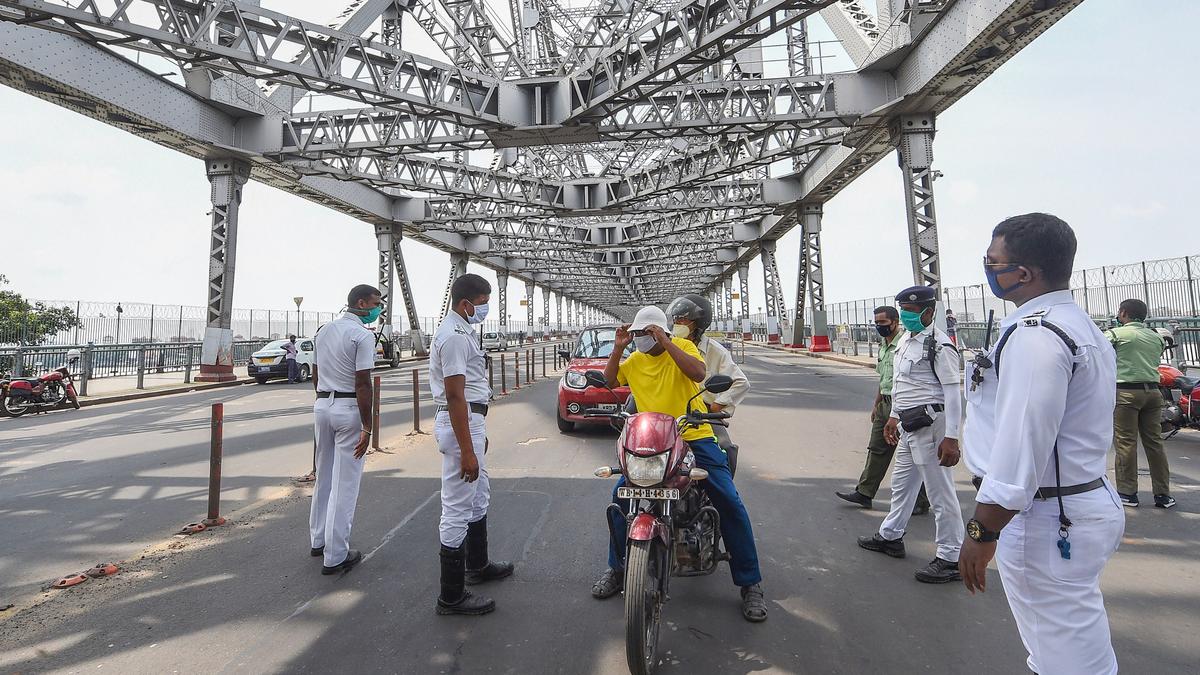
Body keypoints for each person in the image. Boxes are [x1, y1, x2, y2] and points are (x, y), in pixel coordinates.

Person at [960, 213, 1124, 675]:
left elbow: (1023, 439)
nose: (988, 269)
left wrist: (982, 530)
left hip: (1046, 516)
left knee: (1067, 661)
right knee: (1070, 646)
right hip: (1074, 501)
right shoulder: (1073, 323)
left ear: (1025, 273)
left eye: (993, 262)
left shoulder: (1036, 337)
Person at [591, 306, 767, 622]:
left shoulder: (682, 347)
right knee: (620, 497)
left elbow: (698, 373)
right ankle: (616, 569)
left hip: (694, 436)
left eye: (647, 332)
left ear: (662, 332)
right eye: (638, 333)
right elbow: (609, 379)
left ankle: (750, 582)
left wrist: (666, 341)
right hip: (653, 441)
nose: (641, 338)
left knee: (728, 499)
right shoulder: (635, 359)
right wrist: (618, 348)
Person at [857, 286, 964, 584]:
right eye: (903, 310)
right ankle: (890, 536)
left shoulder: (940, 346)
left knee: (940, 493)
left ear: (930, 312)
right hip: (907, 425)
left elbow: (952, 394)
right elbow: (901, 384)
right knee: (902, 485)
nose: (906, 315)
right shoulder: (906, 340)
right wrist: (893, 417)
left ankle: (951, 557)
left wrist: (952, 437)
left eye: (912, 311)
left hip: (930, 426)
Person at [430, 273, 513, 616]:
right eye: (482, 303)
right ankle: (451, 597)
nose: (485, 308)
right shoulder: (453, 336)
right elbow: (454, 395)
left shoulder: (463, 330)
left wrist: (477, 434)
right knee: (457, 507)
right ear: (465, 304)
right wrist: (467, 449)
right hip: (460, 423)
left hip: (471, 422)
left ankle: (477, 565)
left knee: (478, 497)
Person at [309, 285, 379, 575]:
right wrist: (367, 425)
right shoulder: (362, 335)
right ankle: (336, 554)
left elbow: (315, 374)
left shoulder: (323, 331)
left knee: (323, 475)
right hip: (348, 408)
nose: (377, 309)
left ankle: (318, 540)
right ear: (361, 303)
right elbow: (362, 382)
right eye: (375, 304)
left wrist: (324, 401)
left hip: (322, 405)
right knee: (345, 483)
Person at [836, 306, 930, 515]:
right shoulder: (883, 346)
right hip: (885, 403)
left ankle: (921, 500)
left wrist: (897, 411)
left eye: (883, 323)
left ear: (895, 322)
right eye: (876, 323)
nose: (879, 327)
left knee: (913, 453)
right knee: (877, 448)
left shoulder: (906, 344)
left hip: (904, 404)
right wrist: (876, 404)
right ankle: (864, 492)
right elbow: (883, 378)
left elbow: (906, 379)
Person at [666, 293, 749, 471]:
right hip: (671, 412)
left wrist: (718, 404)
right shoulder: (669, 346)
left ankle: (722, 487)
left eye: (683, 319)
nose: (677, 323)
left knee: (726, 448)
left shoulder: (715, 351)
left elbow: (741, 382)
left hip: (703, 416)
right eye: (676, 319)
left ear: (698, 323)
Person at [1105, 298, 1174, 508]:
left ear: (1123, 313)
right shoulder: (1156, 337)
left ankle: (1127, 493)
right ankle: (1163, 495)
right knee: (1155, 443)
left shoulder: (1115, 335)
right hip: (1153, 393)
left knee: (1126, 443)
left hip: (1126, 393)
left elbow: (1099, 354)